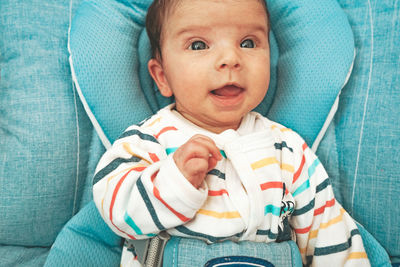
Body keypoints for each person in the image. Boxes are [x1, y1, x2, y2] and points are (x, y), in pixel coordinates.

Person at [93, 0, 370, 266]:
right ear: (162, 76)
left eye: (248, 43)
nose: (230, 59)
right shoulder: (148, 140)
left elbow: (331, 238)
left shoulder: (288, 150)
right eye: (199, 45)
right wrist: (173, 183)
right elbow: (115, 207)